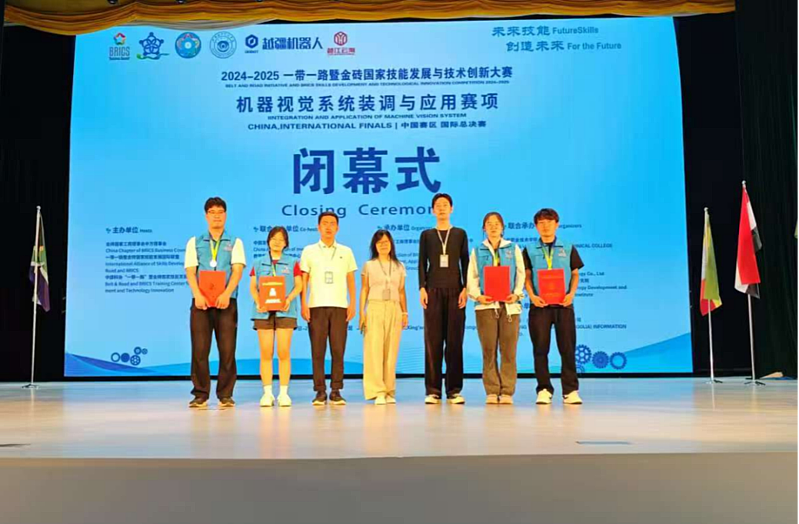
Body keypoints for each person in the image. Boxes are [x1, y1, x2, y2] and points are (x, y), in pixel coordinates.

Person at [184, 197, 246, 409]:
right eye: (212, 212)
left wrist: (227, 294)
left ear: (225, 215)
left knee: (227, 350)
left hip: (226, 302)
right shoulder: (195, 242)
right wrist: (197, 295)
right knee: (200, 349)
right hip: (201, 303)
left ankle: (225, 394)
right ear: (206, 216)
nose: (216, 216)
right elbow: (190, 271)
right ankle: (200, 394)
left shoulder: (235, 242)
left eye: (220, 212)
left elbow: (237, 271)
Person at [523, 208, 585, 405]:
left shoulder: (568, 247)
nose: (545, 226)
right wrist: (532, 296)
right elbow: (526, 276)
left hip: (563, 305)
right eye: (541, 223)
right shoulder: (529, 249)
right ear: (536, 226)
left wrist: (571, 294)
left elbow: (575, 274)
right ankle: (543, 389)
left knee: (567, 348)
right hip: (539, 306)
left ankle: (570, 390)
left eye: (549, 222)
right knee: (540, 349)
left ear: (557, 224)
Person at [467, 212, 525, 405]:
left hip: (509, 307)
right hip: (485, 306)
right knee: (488, 350)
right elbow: (472, 277)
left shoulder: (513, 248)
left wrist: (516, 294)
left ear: (503, 227)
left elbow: (520, 274)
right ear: (484, 228)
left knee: (509, 350)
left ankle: (507, 391)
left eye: (497, 223)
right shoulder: (477, 250)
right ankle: (492, 390)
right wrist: (478, 296)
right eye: (489, 224)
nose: (493, 227)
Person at [300, 212, 358, 406]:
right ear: (318, 227)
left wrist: (352, 303)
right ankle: (319, 391)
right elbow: (304, 279)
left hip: (340, 306)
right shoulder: (309, 251)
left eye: (332, 223)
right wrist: (304, 303)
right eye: (324, 223)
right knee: (318, 351)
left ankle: (336, 390)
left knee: (338, 350)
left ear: (337, 228)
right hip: (316, 306)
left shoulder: (346, 251)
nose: (328, 227)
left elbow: (350, 279)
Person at [418, 193, 469, 404]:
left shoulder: (460, 234)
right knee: (433, 341)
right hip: (433, 291)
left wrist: (466, 288)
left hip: (456, 291)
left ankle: (454, 390)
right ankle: (433, 390)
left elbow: (465, 262)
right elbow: (422, 262)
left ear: (451, 209)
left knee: (455, 341)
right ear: (432, 210)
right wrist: (422, 287)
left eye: (445, 205)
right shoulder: (427, 235)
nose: (441, 208)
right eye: (438, 205)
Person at [249, 227, 303, 408]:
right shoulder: (258, 263)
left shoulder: (293, 262)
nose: (277, 242)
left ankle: (284, 393)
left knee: (283, 352)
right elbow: (253, 287)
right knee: (266, 352)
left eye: (281, 239)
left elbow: (299, 285)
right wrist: (258, 301)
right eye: (274, 238)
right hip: (263, 312)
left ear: (286, 243)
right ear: (268, 241)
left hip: (285, 311)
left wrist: (289, 299)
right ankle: (267, 394)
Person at [359, 230, 409, 405]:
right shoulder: (369, 265)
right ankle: (378, 391)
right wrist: (362, 312)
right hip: (375, 307)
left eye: (386, 242)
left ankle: (389, 390)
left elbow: (401, 291)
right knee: (374, 350)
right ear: (375, 245)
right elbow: (364, 289)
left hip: (394, 308)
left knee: (391, 351)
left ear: (391, 244)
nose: (383, 245)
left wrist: (405, 312)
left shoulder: (399, 266)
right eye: (379, 242)